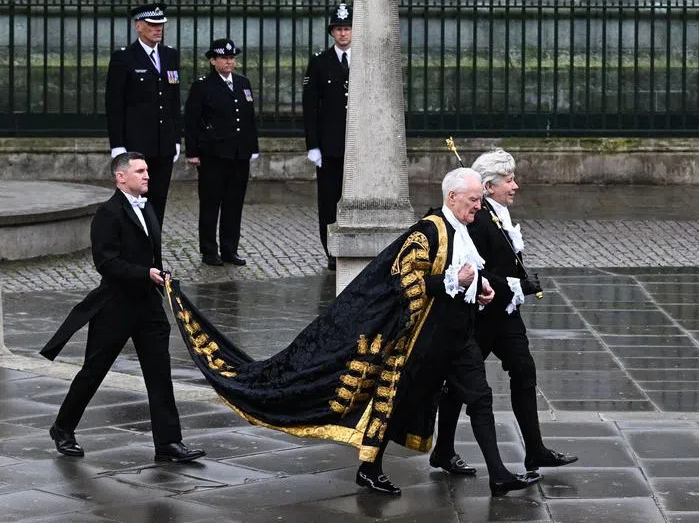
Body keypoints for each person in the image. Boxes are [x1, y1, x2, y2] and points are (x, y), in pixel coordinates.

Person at [164, 168, 539, 498]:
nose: (478, 206)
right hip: (419, 344)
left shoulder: (467, 232)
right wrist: (449, 280)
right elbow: (403, 281)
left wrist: (481, 287)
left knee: (481, 399)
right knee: (393, 403)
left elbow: (469, 273)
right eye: (473, 200)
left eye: (479, 200)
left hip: (458, 338)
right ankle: (369, 468)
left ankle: (499, 476)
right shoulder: (428, 232)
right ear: (453, 197)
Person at [40, 152, 205, 464]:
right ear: (120, 177)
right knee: (94, 371)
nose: (147, 176)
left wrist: (157, 274)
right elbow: (106, 262)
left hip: (148, 306)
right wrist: (144, 273)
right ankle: (62, 428)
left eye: (147, 170)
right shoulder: (108, 213)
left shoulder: (149, 207)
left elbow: (148, 255)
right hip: (115, 307)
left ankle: (169, 443)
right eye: (140, 171)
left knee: (160, 374)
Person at [431, 149, 577, 478]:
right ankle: (443, 450)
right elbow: (473, 269)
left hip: (505, 316)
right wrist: (517, 285)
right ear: (488, 186)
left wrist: (516, 284)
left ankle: (535, 450)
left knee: (524, 371)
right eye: (508, 180)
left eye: (513, 179)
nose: (515, 186)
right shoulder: (477, 218)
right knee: (459, 385)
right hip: (481, 316)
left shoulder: (499, 214)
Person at [184, 38, 260, 267]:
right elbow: (192, 120)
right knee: (210, 203)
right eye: (224, 58)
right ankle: (209, 250)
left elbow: (249, 119)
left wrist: (252, 147)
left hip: (239, 154)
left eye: (231, 58)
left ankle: (230, 249)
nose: (229, 62)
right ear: (213, 61)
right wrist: (193, 152)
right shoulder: (202, 86)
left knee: (234, 203)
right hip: (213, 154)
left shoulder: (243, 83)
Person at [105, 3, 182, 225]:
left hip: (164, 144)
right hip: (137, 144)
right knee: (135, 202)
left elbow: (173, 100)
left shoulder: (169, 55)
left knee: (158, 201)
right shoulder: (124, 58)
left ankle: (153, 252)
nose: (158, 29)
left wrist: (176, 137)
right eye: (152, 25)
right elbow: (114, 105)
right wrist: (117, 144)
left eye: (161, 25)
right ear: (139, 27)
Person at [302, 3, 351, 271]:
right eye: (338, 29)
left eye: (347, 28)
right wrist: (314, 146)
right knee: (328, 202)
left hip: (357, 146)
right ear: (332, 32)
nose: (343, 34)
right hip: (330, 147)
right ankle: (331, 251)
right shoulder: (320, 62)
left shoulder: (365, 58)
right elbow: (310, 106)